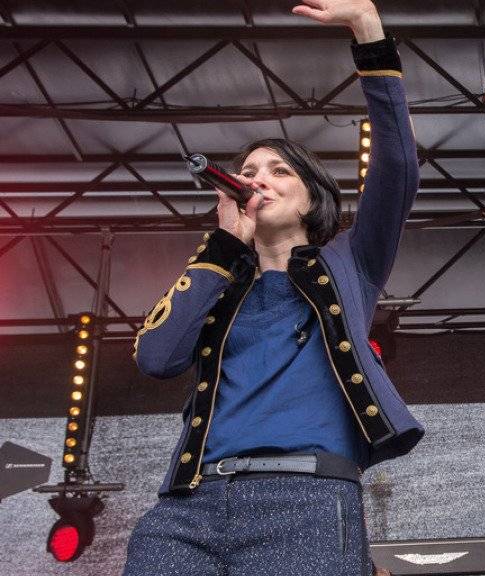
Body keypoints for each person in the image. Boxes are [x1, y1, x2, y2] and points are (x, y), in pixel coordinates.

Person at [123, 2, 422, 574]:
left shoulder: (349, 263)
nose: (258, 177)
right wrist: (222, 248)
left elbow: (400, 166)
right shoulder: (219, 280)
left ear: (314, 199)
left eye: (280, 170)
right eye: (250, 170)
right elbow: (157, 358)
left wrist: (367, 30)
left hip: (304, 501)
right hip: (188, 507)